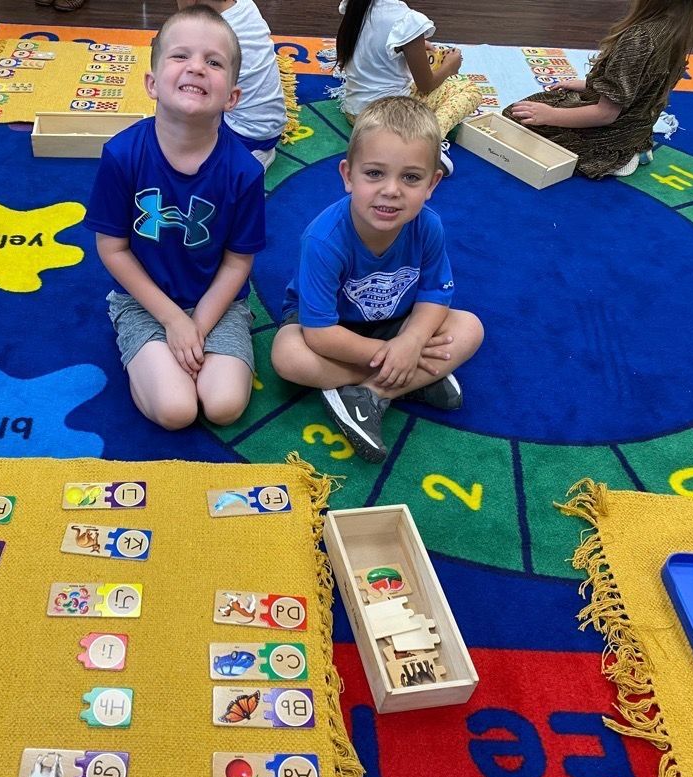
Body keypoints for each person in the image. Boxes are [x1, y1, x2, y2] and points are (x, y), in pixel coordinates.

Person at [84, 5, 266, 430]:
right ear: (151, 83)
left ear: (232, 96)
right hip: (142, 302)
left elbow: (239, 261)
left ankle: (174, 357)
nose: (197, 68)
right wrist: (171, 320)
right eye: (180, 56)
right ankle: (144, 353)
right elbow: (112, 248)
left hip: (218, 306)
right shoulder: (122, 155)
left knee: (223, 406)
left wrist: (197, 325)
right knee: (176, 411)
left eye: (214, 62)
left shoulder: (244, 171)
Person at [271, 97, 483, 463]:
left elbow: (434, 294)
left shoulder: (428, 226)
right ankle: (412, 380)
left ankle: (369, 395)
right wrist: (396, 356)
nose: (391, 190)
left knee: (470, 328)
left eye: (411, 178)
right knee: (288, 356)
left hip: (397, 325)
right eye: (374, 173)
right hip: (328, 332)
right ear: (347, 175)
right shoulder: (322, 240)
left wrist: (412, 341)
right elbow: (319, 333)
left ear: (432, 184)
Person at [504, 0, 693, 178]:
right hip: (636, 126)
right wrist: (589, 84)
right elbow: (642, 86)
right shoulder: (678, 28)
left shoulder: (639, 38)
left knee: (515, 116)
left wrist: (550, 115)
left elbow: (605, 114)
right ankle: (629, 146)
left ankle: (617, 158)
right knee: (540, 103)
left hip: (610, 131)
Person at [334, 0, 482, 175]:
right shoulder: (405, 19)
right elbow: (426, 85)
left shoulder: (357, 6)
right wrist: (450, 66)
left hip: (356, 111)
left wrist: (413, 46)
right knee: (470, 90)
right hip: (389, 115)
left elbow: (374, 43)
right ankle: (429, 144)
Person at [177, 0, 287, 171]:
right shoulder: (246, 4)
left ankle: (248, 159)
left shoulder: (211, 34)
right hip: (268, 125)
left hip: (246, 133)